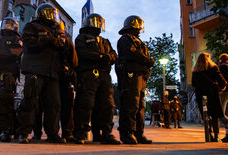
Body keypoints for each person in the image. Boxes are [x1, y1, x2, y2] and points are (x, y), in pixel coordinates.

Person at [17, 3, 66, 144]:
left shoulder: (55, 31)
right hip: (35, 70)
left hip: (52, 73)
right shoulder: (32, 26)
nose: (53, 17)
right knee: (30, 102)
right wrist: (47, 40)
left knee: (54, 105)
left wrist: (58, 42)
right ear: (42, 14)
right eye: (50, 13)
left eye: (54, 14)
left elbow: (62, 49)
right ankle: (23, 133)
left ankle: (52, 134)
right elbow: (28, 44)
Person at [73, 13, 121, 145]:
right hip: (88, 75)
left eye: (99, 22)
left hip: (104, 76)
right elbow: (82, 53)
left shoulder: (105, 41)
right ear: (88, 23)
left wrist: (108, 58)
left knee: (107, 105)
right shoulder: (81, 38)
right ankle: (80, 133)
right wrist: (101, 57)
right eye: (95, 21)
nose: (98, 24)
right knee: (86, 104)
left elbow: (114, 55)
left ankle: (105, 133)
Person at [115, 15, 154, 144]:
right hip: (130, 76)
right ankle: (127, 133)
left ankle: (138, 133)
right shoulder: (125, 39)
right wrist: (147, 60)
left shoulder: (139, 42)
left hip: (140, 77)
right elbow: (131, 54)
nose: (139, 29)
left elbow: (143, 58)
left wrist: (146, 70)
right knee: (131, 104)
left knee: (140, 106)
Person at [0, 17, 23, 142]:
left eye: (9, 24)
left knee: (3, 101)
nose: (6, 26)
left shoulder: (16, 39)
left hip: (7, 74)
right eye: (5, 24)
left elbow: (14, 54)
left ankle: (7, 130)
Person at [192, 52, 228, 142]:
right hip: (213, 94)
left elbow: (193, 84)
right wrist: (219, 90)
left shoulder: (195, 71)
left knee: (205, 116)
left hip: (201, 96)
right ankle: (216, 136)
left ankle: (209, 134)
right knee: (216, 115)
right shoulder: (213, 68)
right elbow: (223, 82)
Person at [218, 53, 228, 143]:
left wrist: (220, 89)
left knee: (221, 114)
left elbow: (222, 80)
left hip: (225, 92)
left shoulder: (223, 67)